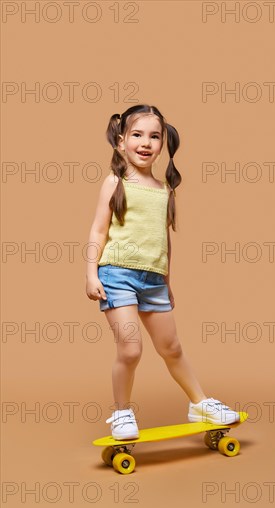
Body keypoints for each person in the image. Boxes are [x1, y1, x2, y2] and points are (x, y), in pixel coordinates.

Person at [85, 104, 239, 440]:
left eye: (155, 136)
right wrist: (91, 273)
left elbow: (162, 240)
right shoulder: (115, 182)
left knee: (172, 348)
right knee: (130, 348)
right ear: (121, 141)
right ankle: (122, 412)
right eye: (137, 135)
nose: (146, 142)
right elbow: (98, 230)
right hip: (117, 274)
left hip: (153, 280)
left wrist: (167, 282)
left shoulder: (164, 190)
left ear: (163, 143)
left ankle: (199, 403)